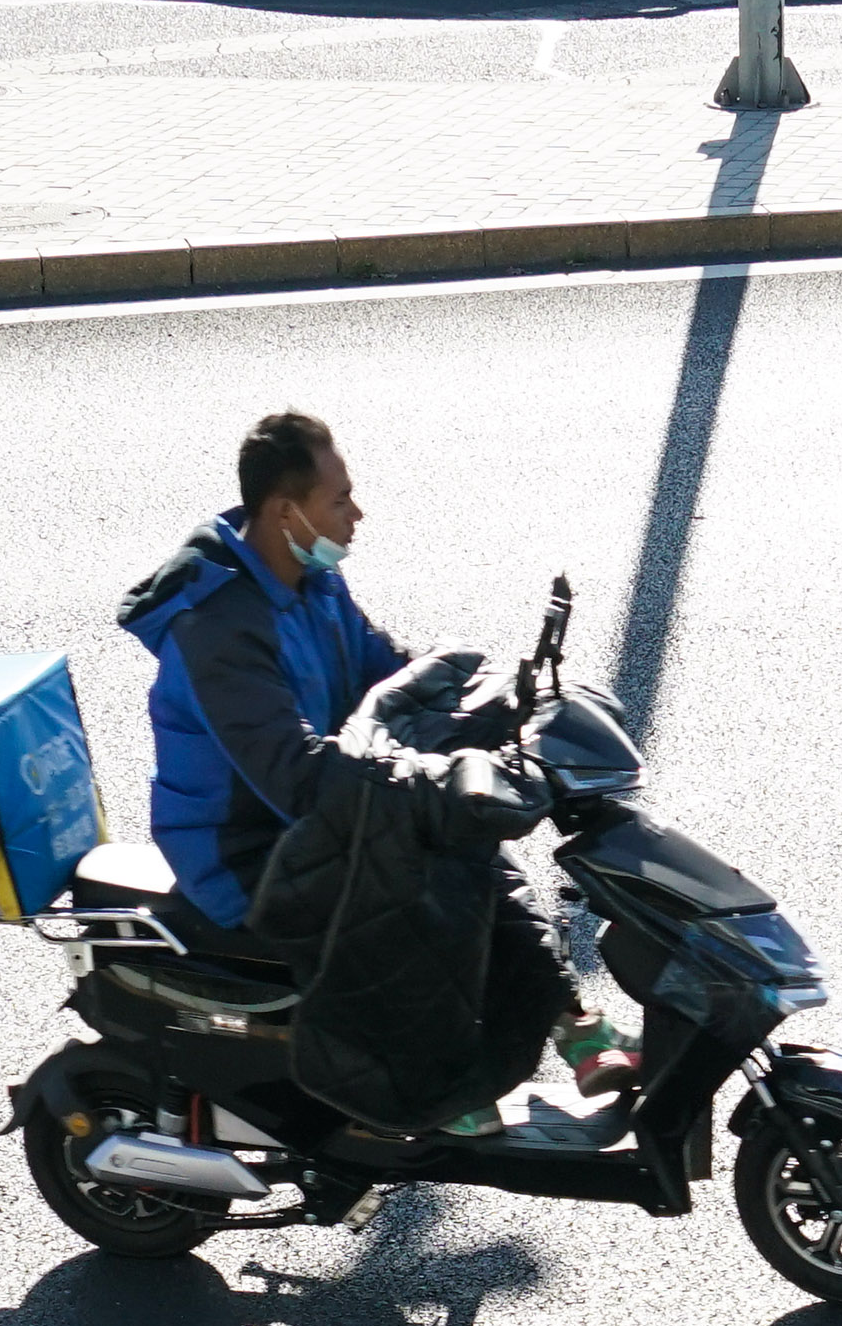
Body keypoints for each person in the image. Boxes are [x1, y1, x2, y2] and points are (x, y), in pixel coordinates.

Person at [120, 409, 628, 1124]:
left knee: (472, 840)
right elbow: (292, 775)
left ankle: (572, 1021)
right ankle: (430, 1085)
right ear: (285, 510)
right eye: (340, 499)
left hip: (319, 800)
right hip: (244, 847)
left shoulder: (310, 580)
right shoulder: (219, 630)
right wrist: (418, 787)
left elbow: (383, 672)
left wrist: (496, 704)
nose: (356, 514)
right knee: (419, 875)